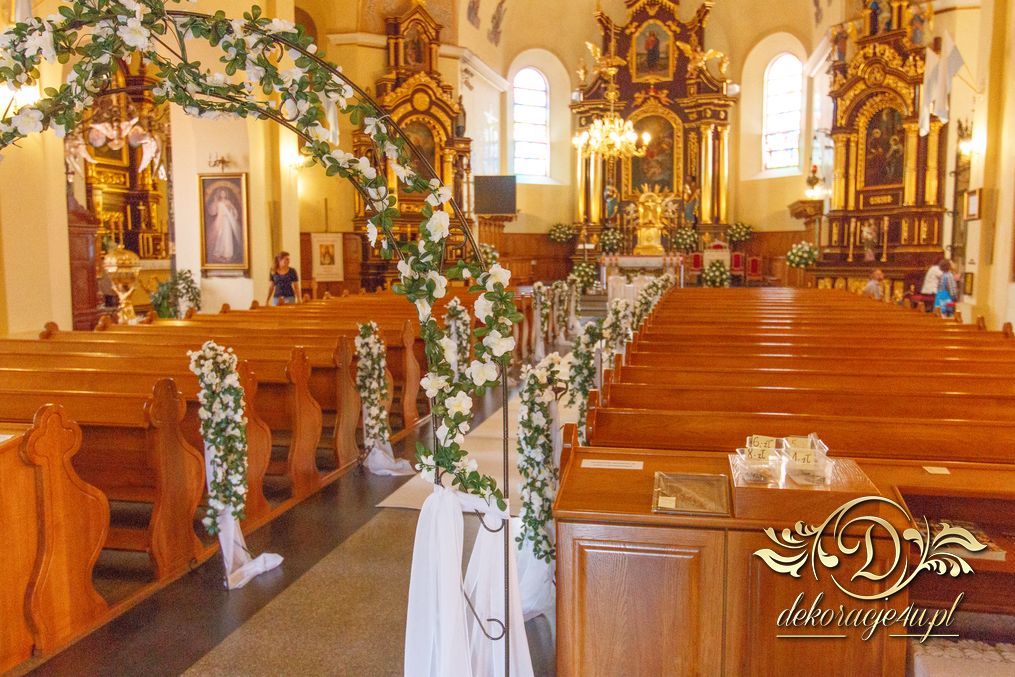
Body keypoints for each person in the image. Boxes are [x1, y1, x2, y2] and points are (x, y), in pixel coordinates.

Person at [206, 188, 243, 264]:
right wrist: (215, 202)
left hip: (227, 221)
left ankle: (228, 253)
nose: (223, 194)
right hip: (220, 220)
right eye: (221, 193)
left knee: (227, 236)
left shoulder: (228, 202)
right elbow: (213, 212)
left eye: (224, 193)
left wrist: (230, 210)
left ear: (226, 194)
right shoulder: (218, 202)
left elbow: (233, 210)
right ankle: (219, 252)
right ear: (220, 194)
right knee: (220, 236)